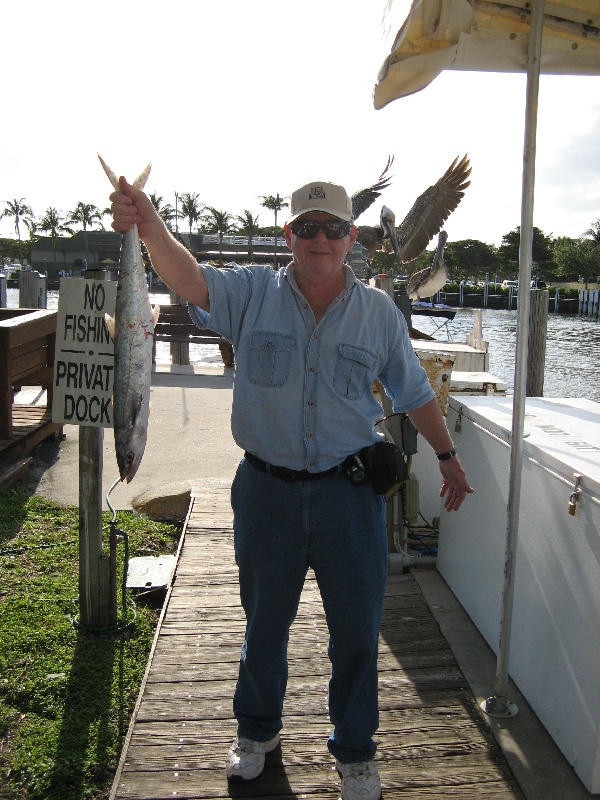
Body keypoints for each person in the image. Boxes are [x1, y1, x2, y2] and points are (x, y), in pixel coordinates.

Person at [110, 176, 473, 800]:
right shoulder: (252, 292)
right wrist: (148, 226)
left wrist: (447, 456)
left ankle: (355, 752)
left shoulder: (379, 312)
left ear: (351, 237)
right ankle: (256, 736)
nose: (320, 240)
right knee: (264, 625)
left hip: (350, 496)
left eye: (333, 229)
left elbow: (413, 393)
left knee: (358, 632)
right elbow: (191, 280)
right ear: (289, 236)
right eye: (307, 228)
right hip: (267, 492)